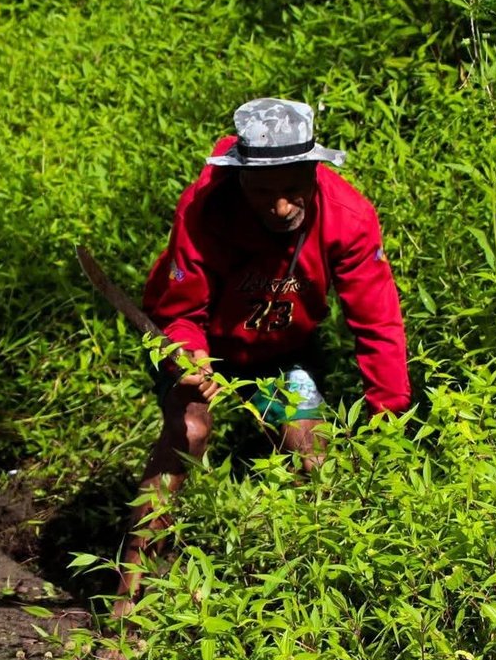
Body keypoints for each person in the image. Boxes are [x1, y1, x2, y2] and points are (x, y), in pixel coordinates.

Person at [115, 97, 411, 616]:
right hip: (201, 340)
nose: (280, 207)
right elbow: (178, 309)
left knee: (311, 452)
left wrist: (387, 410)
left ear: (314, 171)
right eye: (263, 192)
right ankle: (131, 596)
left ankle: (314, 604)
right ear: (240, 179)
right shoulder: (205, 208)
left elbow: (377, 318)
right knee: (191, 429)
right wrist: (188, 357)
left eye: (293, 188)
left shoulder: (348, 217)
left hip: (284, 347)